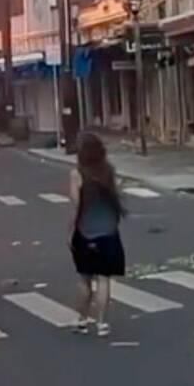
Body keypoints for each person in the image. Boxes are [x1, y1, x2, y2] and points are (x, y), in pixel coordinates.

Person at [69, 132, 127, 337]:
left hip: (86, 232)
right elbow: (116, 197)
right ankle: (102, 323)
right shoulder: (109, 171)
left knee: (84, 279)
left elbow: (76, 206)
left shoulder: (77, 174)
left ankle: (81, 320)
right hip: (109, 231)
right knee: (103, 279)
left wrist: (71, 231)